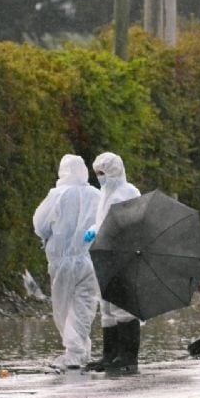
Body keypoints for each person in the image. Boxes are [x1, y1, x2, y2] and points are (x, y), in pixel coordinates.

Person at [33, 154, 101, 371]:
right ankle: (81, 349)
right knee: (84, 306)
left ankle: (74, 353)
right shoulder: (96, 195)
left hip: (61, 263)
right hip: (90, 260)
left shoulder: (57, 196)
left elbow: (40, 225)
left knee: (63, 308)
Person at [83, 152, 142, 372]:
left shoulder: (128, 192)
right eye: (97, 173)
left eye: (102, 173)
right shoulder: (105, 193)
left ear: (113, 171)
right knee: (106, 306)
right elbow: (102, 221)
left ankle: (128, 357)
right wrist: (93, 230)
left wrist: (99, 231)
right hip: (105, 257)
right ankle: (110, 355)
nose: (99, 177)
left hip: (123, 256)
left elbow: (124, 224)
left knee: (123, 306)